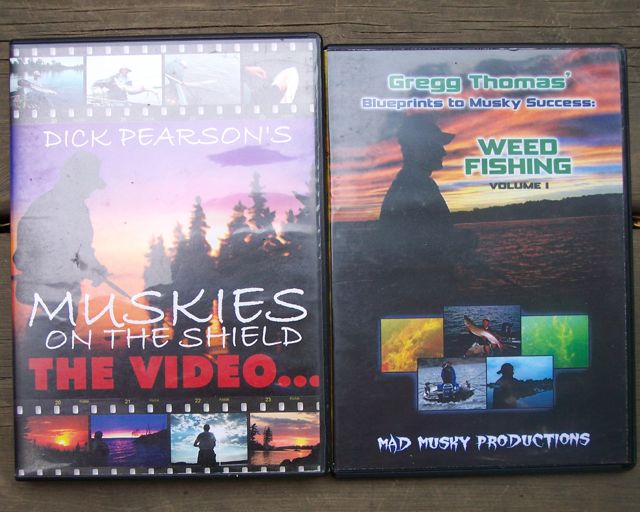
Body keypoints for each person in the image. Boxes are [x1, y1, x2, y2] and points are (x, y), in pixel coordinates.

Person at [13, 151, 108, 329]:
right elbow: (73, 256)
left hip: (54, 297)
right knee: (54, 340)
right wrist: (92, 269)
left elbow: (78, 255)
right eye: (89, 184)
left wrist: (94, 269)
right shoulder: (58, 209)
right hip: (51, 298)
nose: (90, 191)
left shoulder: (67, 207)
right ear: (77, 180)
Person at [378, 115, 476, 265]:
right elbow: (418, 250)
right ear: (415, 149)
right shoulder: (415, 186)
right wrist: (460, 241)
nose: (443, 152)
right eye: (435, 145)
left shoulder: (415, 183)